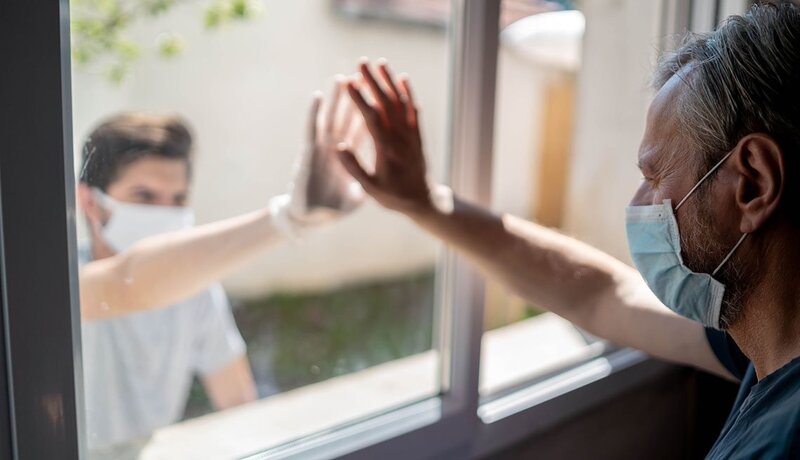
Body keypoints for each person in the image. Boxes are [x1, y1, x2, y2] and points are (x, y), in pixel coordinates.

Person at [336, 3, 800, 458]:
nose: (639, 204)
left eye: (655, 176)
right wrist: (427, 205)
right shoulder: (767, 340)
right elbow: (601, 295)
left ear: (753, 183)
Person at [76, 82, 364, 457]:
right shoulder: (63, 283)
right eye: (144, 197)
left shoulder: (195, 288)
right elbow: (126, 284)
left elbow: (237, 399)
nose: (165, 214)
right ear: (90, 202)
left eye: (178, 200)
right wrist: (288, 218)